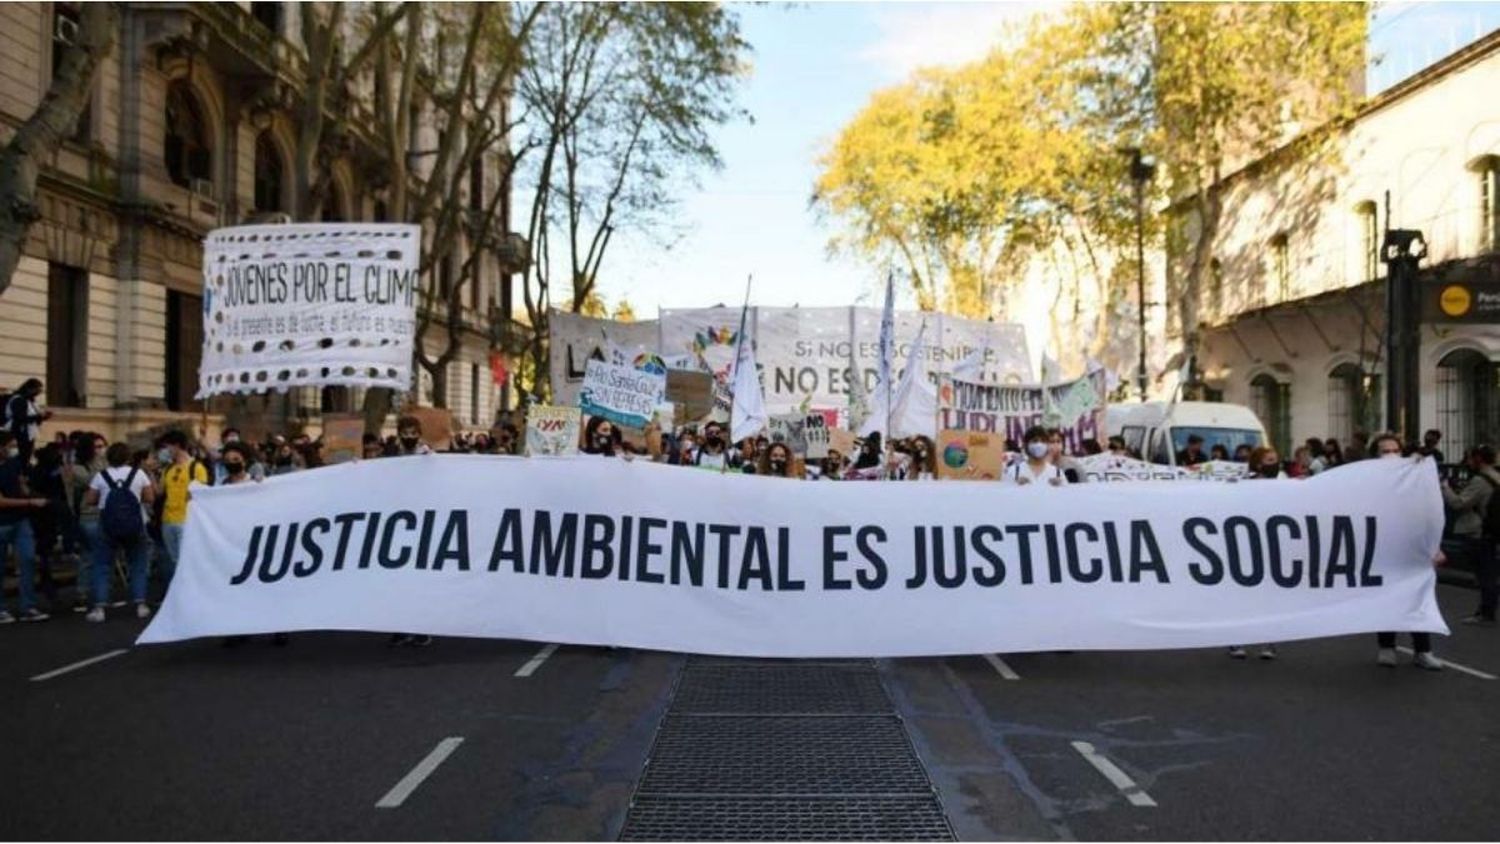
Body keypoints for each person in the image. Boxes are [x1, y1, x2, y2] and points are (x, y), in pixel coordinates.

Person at [1367, 432, 1444, 669]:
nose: (1391, 455)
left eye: (1394, 450)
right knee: (1385, 597)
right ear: (1375, 455)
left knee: (1418, 596)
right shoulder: (1366, 480)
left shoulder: (1414, 478)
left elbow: (1428, 511)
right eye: (1384, 451)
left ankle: (1423, 651)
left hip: (1413, 548)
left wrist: (1435, 546)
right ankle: (1387, 647)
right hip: (1382, 548)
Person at [83, 442, 156, 622]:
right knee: (138, 563)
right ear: (128, 457)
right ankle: (140, 604)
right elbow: (149, 497)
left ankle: (99, 607)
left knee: (102, 566)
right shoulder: (138, 474)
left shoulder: (101, 476)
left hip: (107, 524)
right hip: (134, 524)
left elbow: (90, 500)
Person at [1229, 445, 1283, 660]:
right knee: (1241, 593)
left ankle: (1268, 640)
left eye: (1276, 460)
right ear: (1259, 464)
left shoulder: (1284, 483)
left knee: (1268, 594)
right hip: (1245, 542)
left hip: (1272, 544)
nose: (1275, 465)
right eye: (1270, 460)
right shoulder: (1243, 484)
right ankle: (1236, 639)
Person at [1445, 444, 1500, 628]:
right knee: (1488, 572)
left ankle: (1486, 612)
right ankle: (1486, 610)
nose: (1467, 462)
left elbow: (1459, 504)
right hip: (1490, 530)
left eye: (1470, 458)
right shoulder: (1496, 476)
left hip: (1478, 531)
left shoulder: (1481, 480)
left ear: (1479, 459)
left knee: (1485, 574)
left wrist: (1445, 488)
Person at [0, 432, 50, 622]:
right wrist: (29, 503)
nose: (13, 449)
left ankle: (28, 606)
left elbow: (22, 486)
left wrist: (30, 493)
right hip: (3, 521)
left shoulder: (14, 464)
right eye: (10, 445)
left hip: (21, 520)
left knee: (28, 560)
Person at [157, 430, 208, 591]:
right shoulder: (168, 469)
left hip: (187, 520)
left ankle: (190, 590)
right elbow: (159, 492)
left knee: (186, 560)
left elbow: (200, 494)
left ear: (177, 446)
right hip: (168, 520)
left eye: (167, 447)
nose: (165, 451)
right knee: (174, 560)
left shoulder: (196, 467)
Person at [26, 443, 69, 609]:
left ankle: (47, 582)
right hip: (46, 515)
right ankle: (47, 585)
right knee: (44, 551)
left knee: (44, 553)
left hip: (43, 515)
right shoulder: (51, 472)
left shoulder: (39, 471)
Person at [4, 378, 51, 465]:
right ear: (29, 388)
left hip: (29, 435)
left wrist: (42, 417)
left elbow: (34, 418)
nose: (39, 392)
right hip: (19, 433)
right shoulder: (18, 400)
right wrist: (37, 417)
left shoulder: (31, 402)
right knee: (18, 459)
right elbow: (21, 418)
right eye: (37, 389)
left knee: (26, 458)